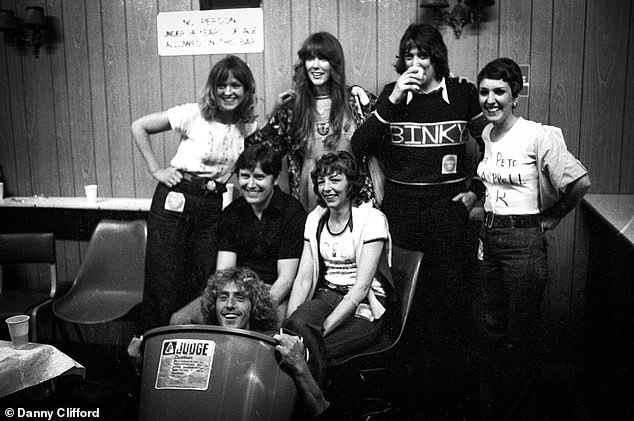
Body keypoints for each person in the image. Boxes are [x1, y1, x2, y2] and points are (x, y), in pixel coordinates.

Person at [351, 23, 488, 412]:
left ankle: (447, 399)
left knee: (450, 305)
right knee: (407, 307)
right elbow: (358, 146)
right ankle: (408, 397)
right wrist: (393, 97)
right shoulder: (392, 99)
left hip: (448, 214)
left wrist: (475, 190)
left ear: (436, 58)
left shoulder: (461, 94)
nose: (415, 63)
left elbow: (493, 142)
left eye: (422, 55)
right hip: (402, 215)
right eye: (408, 56)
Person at [475, 58, 591, 418]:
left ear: (515, 97)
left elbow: (579, 182)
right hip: (490, 239)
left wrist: (553, 217)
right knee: (493, 329)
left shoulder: (536, 134)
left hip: (523, 244)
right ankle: (497, 407)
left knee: (519, 336)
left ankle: (521, 412)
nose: (490, 99)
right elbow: (493, 184)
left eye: (499, 92)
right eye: (484, 92)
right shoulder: (486, 134)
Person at [131, 55, 258, 332]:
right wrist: (157, 170)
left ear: (247, 90)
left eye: (236, 85)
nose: (228, 92)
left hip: (212, 204)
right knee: (163, 283)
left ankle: (187, 360)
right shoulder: (193, 113)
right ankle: (151, 356)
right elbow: (139, 126)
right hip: (176, 199)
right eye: (221, 85)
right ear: (212, 89)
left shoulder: (247, 125)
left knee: (201, 283)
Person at [283, 151, 392, 389]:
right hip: (328, 295)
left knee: (313, 348)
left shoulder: (372, 219)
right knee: (295, 332)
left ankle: (319, 406)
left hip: (365, 306)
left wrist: (323, 328)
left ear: (351, 184)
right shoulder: (315, 219)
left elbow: (361, 288)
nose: (327, 188)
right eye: (322, 181)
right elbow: (303, 279)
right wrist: (288, 327)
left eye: (335, 180)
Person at [170, 143, 307, 327]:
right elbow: (223, 273)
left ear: (274, 179)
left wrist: (253, 310)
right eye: (245, 176)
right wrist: (230, 304)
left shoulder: (292, 213)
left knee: (272, 329)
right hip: (235, 290)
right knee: (179, 320)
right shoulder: (232, 213)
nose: (251, 185)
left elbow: (286, 280)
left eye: (259, 177)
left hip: (273, 292)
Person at [250, 32, 377, 210]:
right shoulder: (293, 107)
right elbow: (262, 152)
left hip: (353, 198)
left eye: (323, 59)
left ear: (334, 64)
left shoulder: (356, 100)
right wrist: (275, 111)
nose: (315, 66)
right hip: (310, 198)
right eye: (310, 59)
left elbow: (380, 139)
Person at [201, 267, 331, 419]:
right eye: (223, 298)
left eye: (240, 298)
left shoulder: (274, 344)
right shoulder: (205, 345)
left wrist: (299, 366)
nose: (229, 304)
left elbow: (320, 408)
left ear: (254, 305)